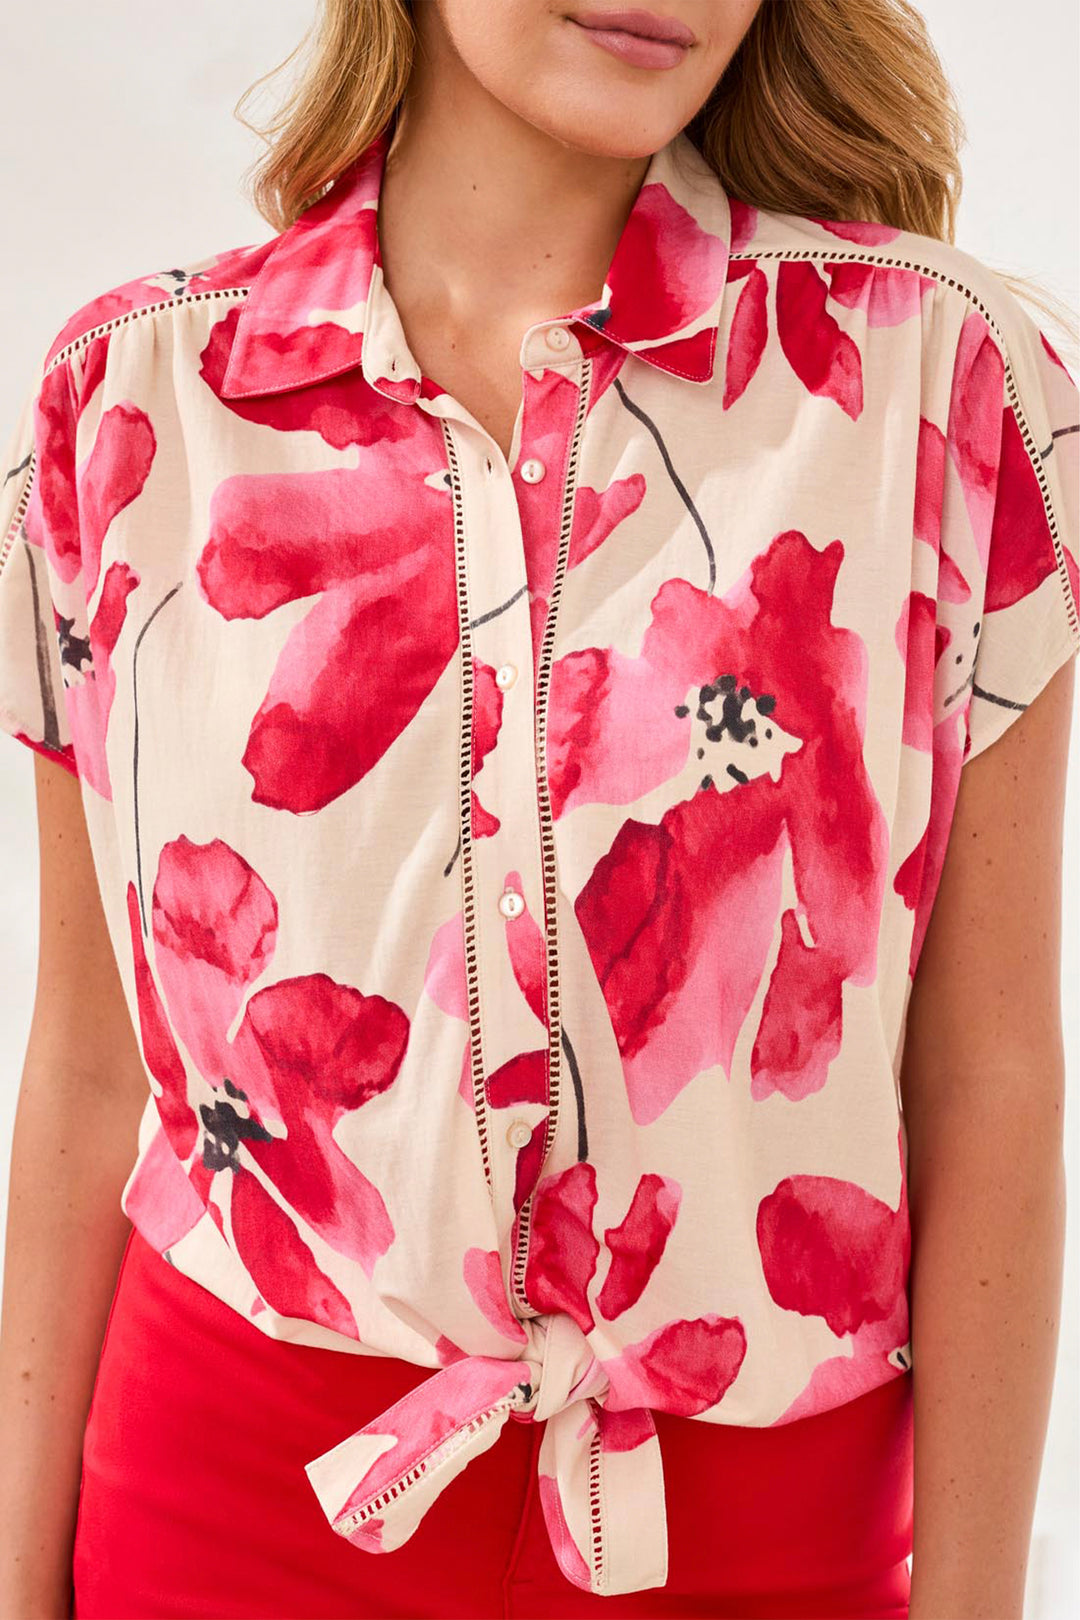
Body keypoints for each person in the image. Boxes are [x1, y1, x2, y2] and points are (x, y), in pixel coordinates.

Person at [0, 1, 1076, 1616]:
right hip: (219, 1507)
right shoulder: (128, 400)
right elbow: (93, 1069)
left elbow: (989, 1072)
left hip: (761, 1543)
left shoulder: (945, 381)